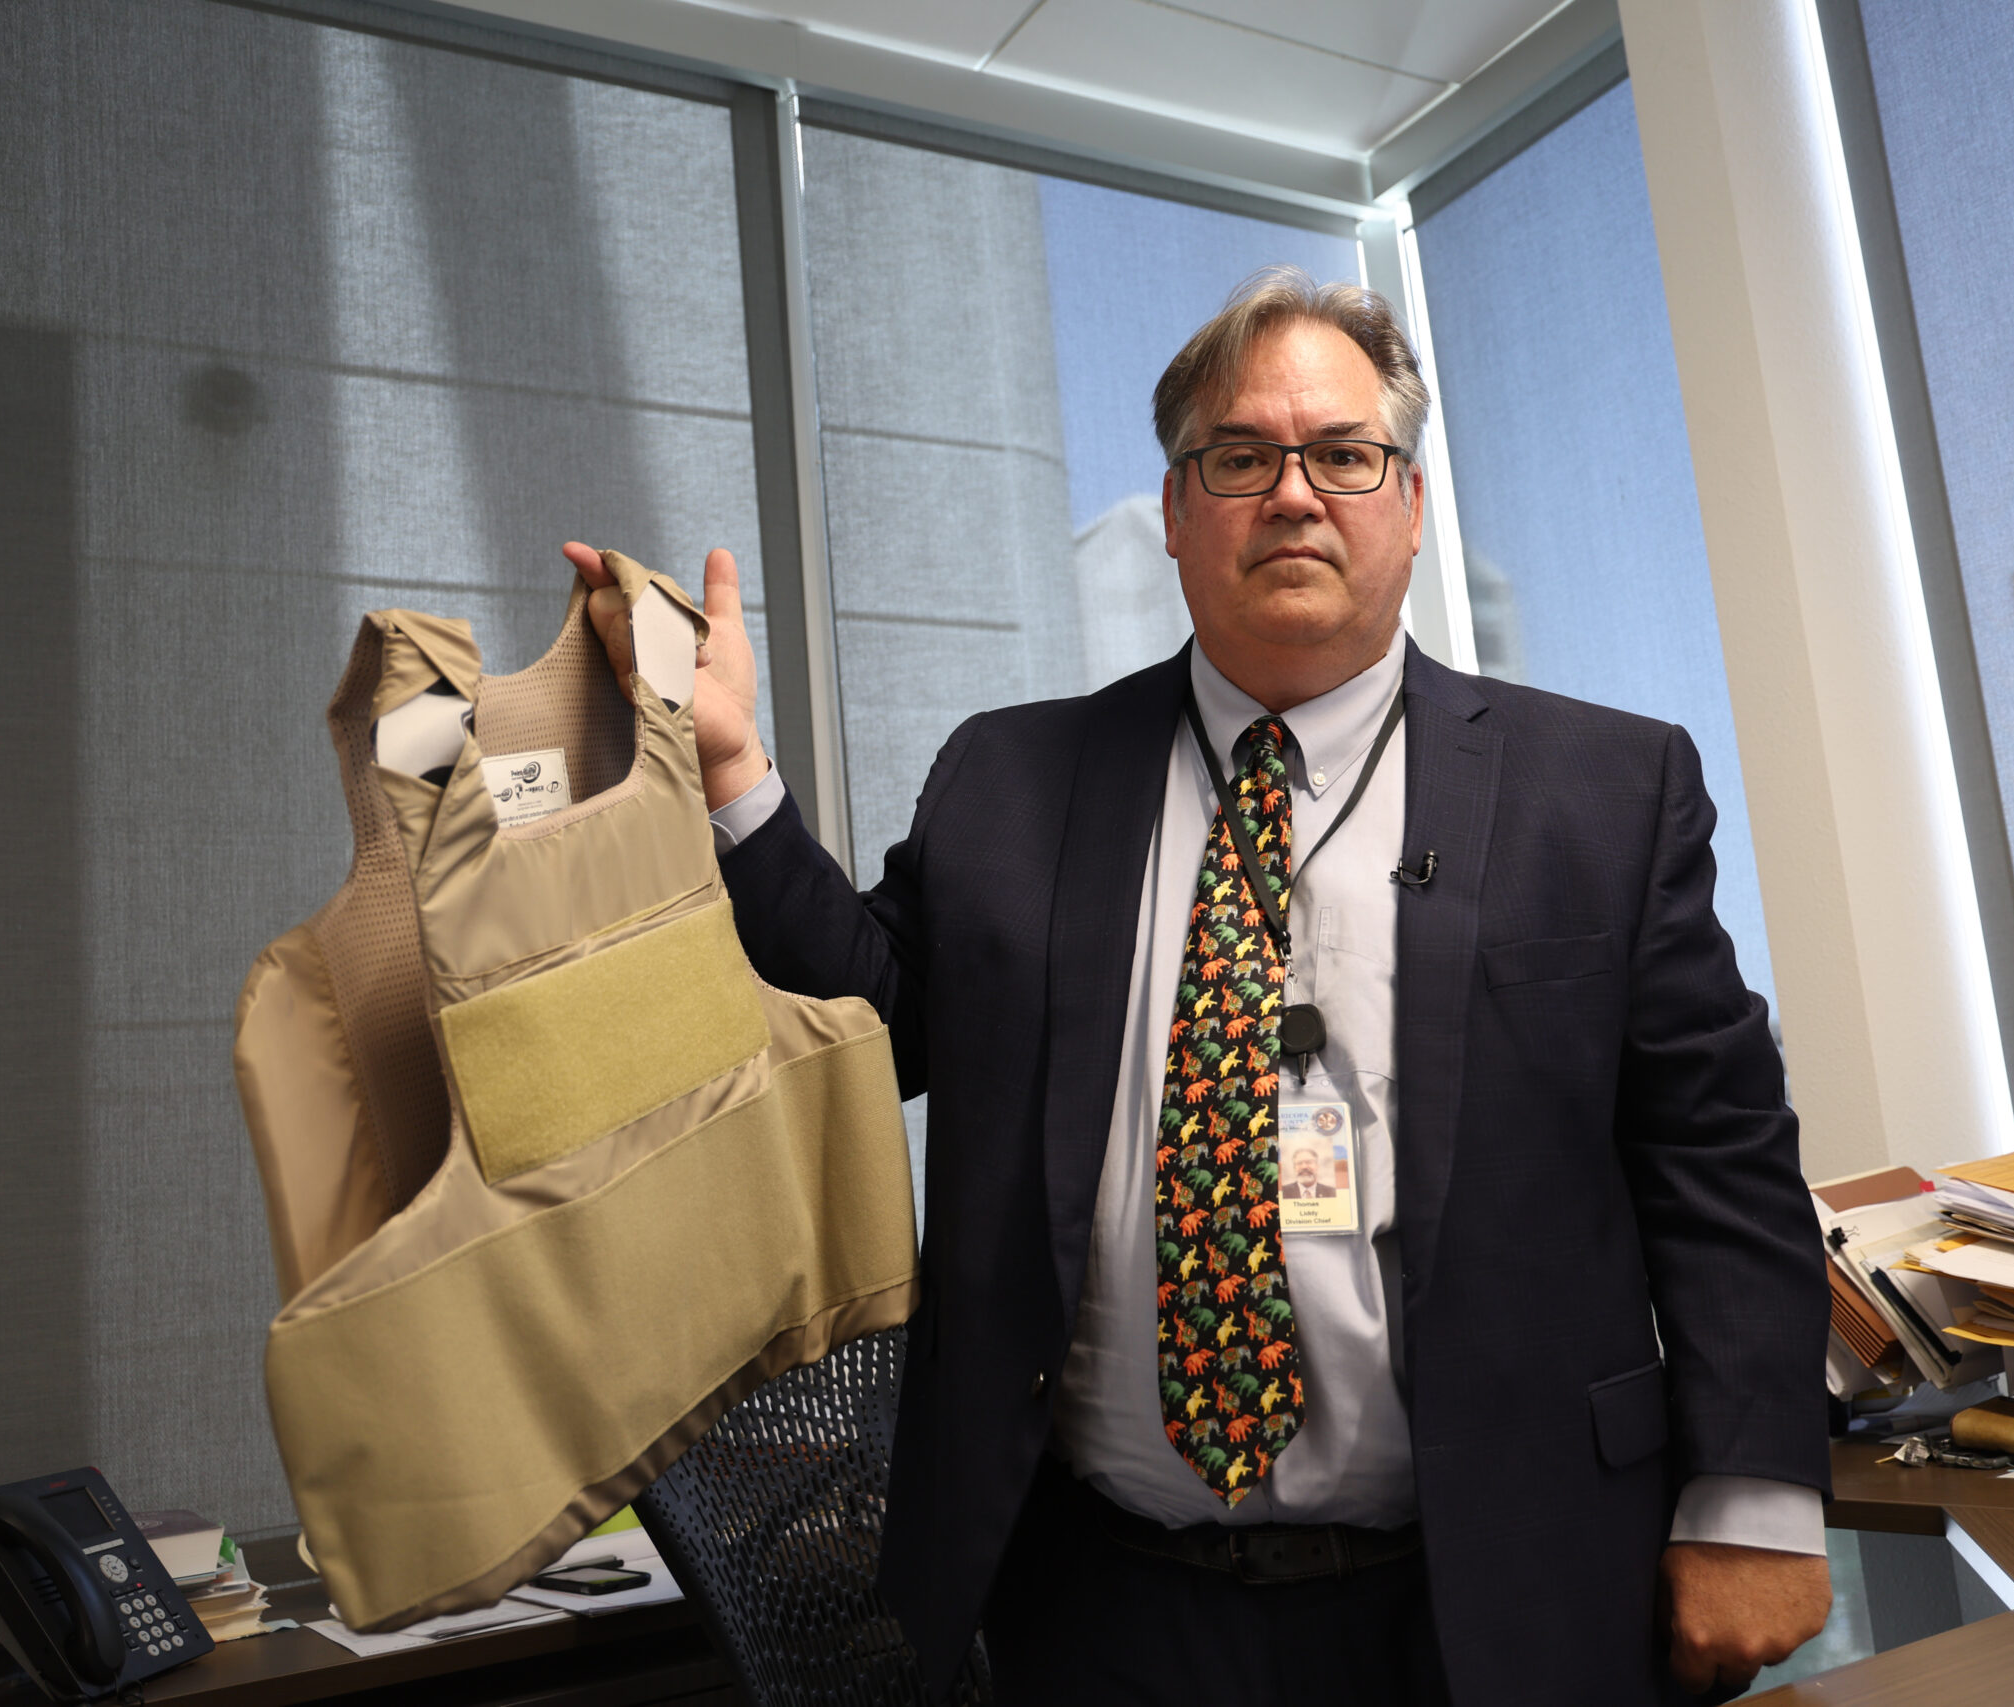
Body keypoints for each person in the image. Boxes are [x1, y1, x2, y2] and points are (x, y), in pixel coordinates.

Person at [569, 269, 1830, 1705]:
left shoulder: (1602, 790)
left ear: (1408, 507)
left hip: (1503, 1587)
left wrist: (1756, 1494)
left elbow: (1717, 1158)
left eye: (1344, 455)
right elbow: (869, 1021)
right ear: (1177, 515)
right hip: (1104, 1608)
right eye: (1240, 458)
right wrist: (731, 766)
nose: (1294, 494)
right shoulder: (1013, 780)